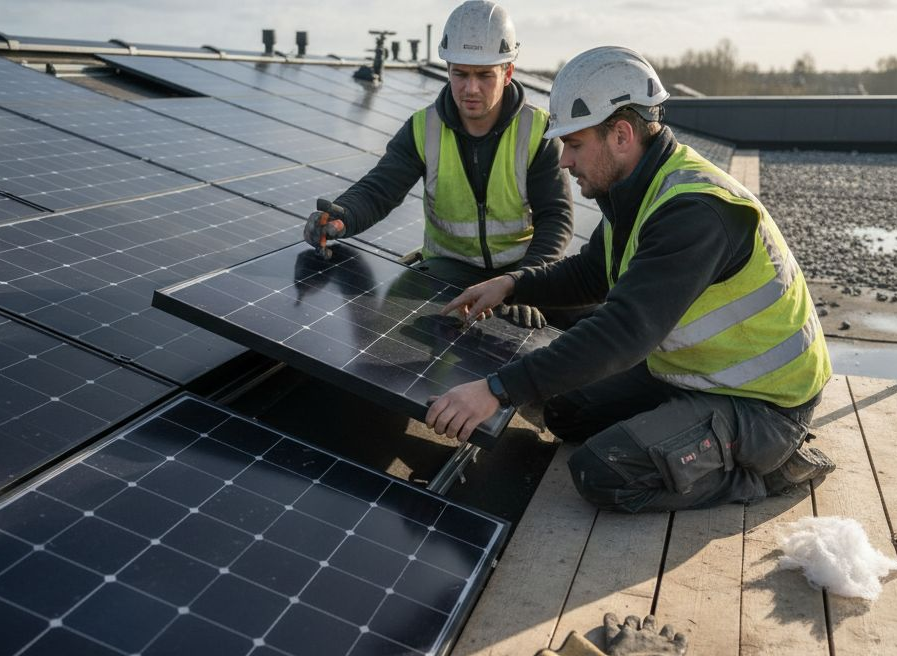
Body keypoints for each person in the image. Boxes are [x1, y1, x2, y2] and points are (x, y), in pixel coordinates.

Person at [425, 46, 835, 513]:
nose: (564, 162)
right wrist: (514, 284)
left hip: (762, 404)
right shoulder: (639, 190)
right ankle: (682, 429)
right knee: (562, 409)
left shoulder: (694, 212)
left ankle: (775, 467)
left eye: (574, 145)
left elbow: (624, 332)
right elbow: (592, 272)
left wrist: (494, 390)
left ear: (620, 134)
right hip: (695, 375)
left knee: (605, 471)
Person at [302, 0, 573, 328]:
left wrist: (527, 283)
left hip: (519, 268)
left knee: (588, 315)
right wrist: (343, 216)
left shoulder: (537, 131)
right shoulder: (422, 128)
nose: (470, 88)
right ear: (448, 69)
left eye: (484, 75)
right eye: (460, 73)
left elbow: (556, 217)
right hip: (448, 269)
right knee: (408, 340)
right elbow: (380, 189)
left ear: (508, 72)